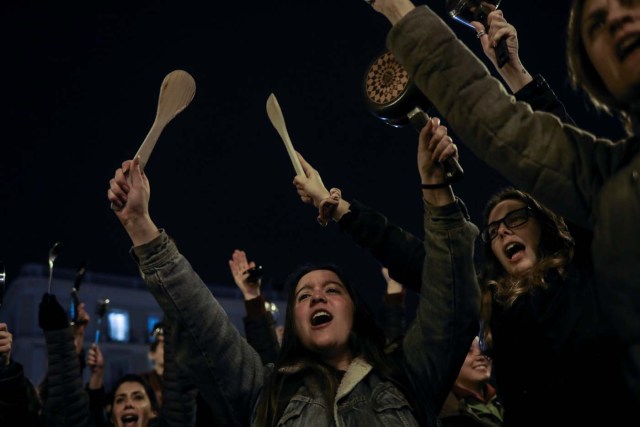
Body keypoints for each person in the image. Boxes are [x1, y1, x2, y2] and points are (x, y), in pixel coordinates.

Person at [107, 129, 479, 426]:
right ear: (293, 324)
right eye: (303, 296)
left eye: (332, 290)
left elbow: (453, 304)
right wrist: (142, 227)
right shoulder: (266, 391)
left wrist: (436, 188)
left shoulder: (406, 374)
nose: (317, 297)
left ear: (356, 312)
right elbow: (203, 328)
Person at [366, 0, 640, 400]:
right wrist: (399, 9)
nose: (615, 17)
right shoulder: (613, 194)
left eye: (629, 2)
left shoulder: (580, 266)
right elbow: (509, 129)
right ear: (592, 72)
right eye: (595, 23)